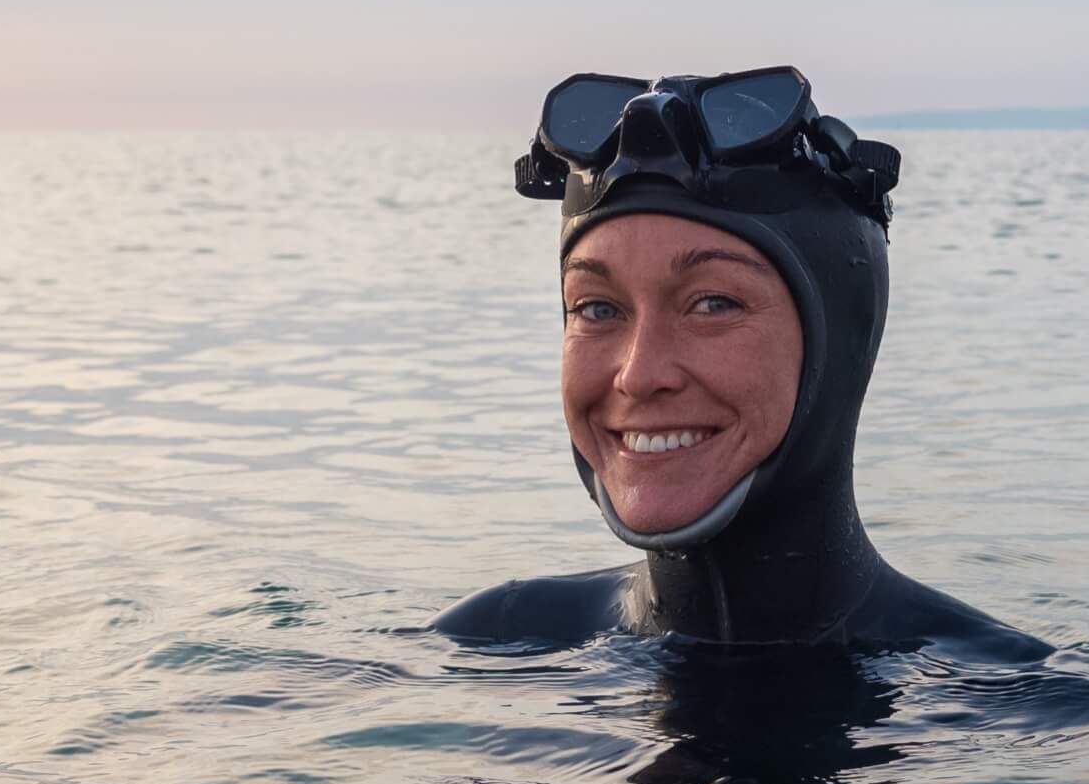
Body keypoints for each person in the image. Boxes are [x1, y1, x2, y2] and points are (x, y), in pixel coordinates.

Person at [437, 68, 1045, 658]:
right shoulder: (488, 645)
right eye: (597, 309)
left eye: (713, 303)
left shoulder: (1031, 713)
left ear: (840, 344)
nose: (640, 374)